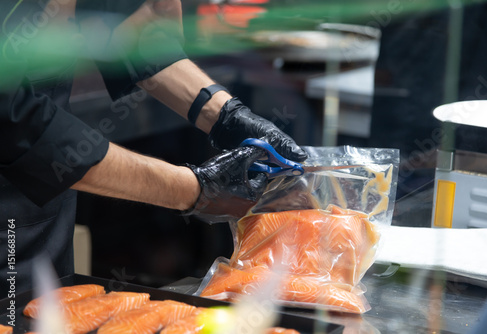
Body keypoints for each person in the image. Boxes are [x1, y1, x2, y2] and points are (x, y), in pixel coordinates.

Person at [0, 0, 307, 297]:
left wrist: (225, 114)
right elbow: (20, 124)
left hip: (47, 214)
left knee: (38, 314)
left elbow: (132, 32)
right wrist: (196, 188)